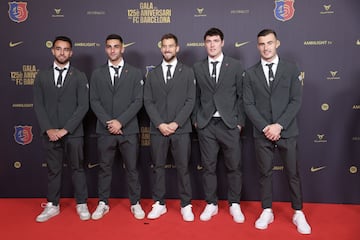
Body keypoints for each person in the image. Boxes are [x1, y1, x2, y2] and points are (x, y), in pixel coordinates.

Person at [243, 29, 311, 234]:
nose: (266, 47)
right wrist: (265, 127)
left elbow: (295, 100)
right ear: (257, 46)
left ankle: (298, 212)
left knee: (293, 173)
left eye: (269, 43)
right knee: (264, 174)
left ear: (277, 43)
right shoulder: (250, 72)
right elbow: (248, 104)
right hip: (261, 132)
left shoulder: (291, 69)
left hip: (286, 130)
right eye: (262, 44)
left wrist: (279, 125)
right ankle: (267, 210)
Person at [33, 36, 90, 222]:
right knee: (53, 170)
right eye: (58, 49)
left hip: (73, 133)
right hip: (50, 133)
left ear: (71, 52)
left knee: (78, 168)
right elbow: (39, 105)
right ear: (53, 51)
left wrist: (66, 129)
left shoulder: (80, 76)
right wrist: (49, 129)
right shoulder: (42, 75)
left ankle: (81, 203)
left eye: (66, 49)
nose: (62, 52)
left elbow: (83, 106)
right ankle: (52, 205)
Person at [192, 27, 246, 223]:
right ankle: (211, 204)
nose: (212, 44)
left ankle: (234, 204)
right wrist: (196, 121)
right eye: (208, 41)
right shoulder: (197, 67)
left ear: (222, 42)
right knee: (208, 167)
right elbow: (194, 97)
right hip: (206, 124)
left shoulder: (235, 65)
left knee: (234, 166)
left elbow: (242, 97)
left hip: (229, 124)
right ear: (204, 44)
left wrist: (239, 122)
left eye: (216, 41)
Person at [89, 34, 145, 220]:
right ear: (105, 49)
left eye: (116, 46)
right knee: (104, 168)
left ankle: (135, 203)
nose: (112, 50)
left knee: (132, 168)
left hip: (128, 130)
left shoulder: (135, 72)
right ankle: (103, 203)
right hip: (105, 130)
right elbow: (94, 101)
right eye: (109, 46)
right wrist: (110, 123)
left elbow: (138, 101)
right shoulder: (97, 73)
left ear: (123, 48)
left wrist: (120, 122)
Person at [144, 33, 196, 221]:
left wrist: (175, 123)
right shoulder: (153, 73)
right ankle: (159, 203)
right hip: (158, 130)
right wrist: (160, 124)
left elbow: (191, 100)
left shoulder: (188, 71)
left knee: (183, 167)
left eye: (170, 46)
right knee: (158, 167)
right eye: (164, 46)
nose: (167, 49)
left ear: (177, 48)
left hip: (181, 129)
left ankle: (186, 204)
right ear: (161, 48)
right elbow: (148, 101)